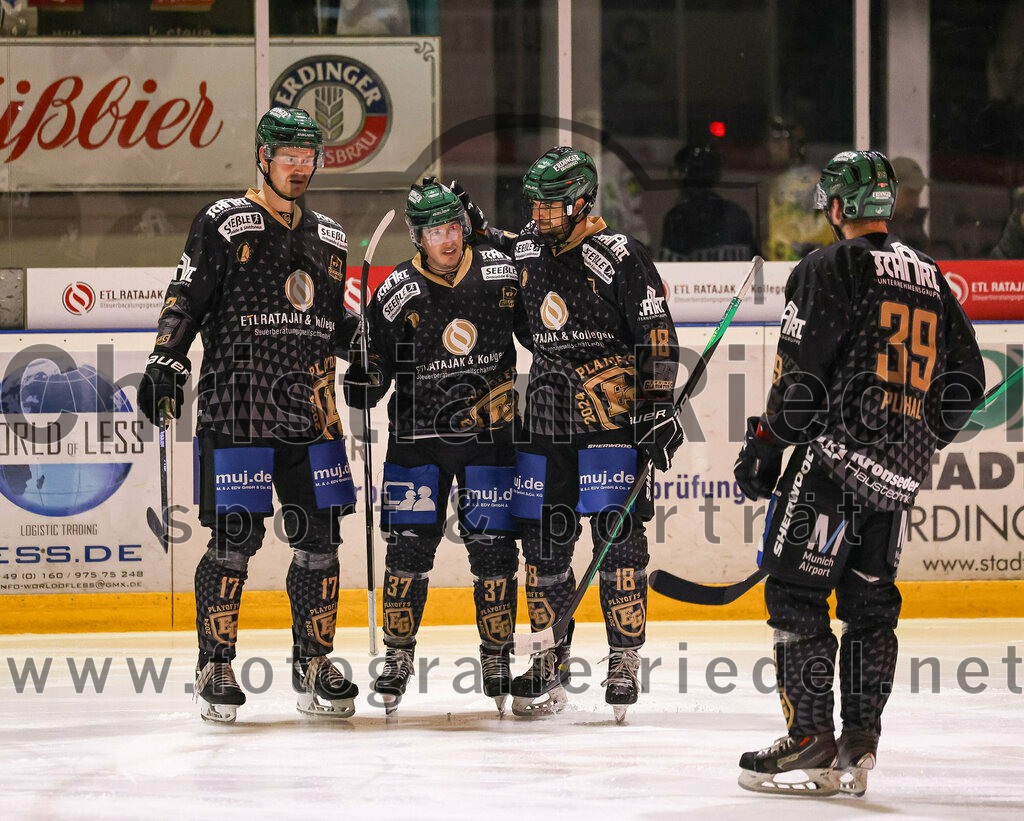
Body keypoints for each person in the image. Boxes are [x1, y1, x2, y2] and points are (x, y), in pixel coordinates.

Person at [733, 150, 985, 795]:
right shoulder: (928, 274)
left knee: (795, 596)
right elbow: (968, 382)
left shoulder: (829, 266)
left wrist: (764, 444)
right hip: (896, 478)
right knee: (871, 610)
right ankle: (860, 739)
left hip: (832, 468)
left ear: (838, 207)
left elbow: (802, 383)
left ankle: (811, 737)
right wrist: (919, 438)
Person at [137, 107, 360, 723]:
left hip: (313, 413)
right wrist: (166, 357)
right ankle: (216, 663)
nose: (299, 167)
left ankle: (314, 661)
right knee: (236, 538)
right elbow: (187, 294)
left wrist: (367, 347)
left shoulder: (332, 238)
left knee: (322, 539)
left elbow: (333, 322)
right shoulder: (223, 223)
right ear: (262, 158)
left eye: (308, 156)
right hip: (239, 406)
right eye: (287, 156)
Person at [475, 146, 683, 721]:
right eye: (535, 205)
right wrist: (476, 227)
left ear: (583, 202)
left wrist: (658, 408)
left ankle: (623, 659)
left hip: (610, 425)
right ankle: (548, 658)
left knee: (617, 542)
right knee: (544, 545)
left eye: (551, 206)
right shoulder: (530, 246)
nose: (539, 216)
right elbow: (501, 243)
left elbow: (657, 336)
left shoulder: (621, 256)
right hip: (544, 422)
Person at [343, 178, 520, 716]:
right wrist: (363, 380)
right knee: (407, 551)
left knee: (494, 552)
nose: (446, 240)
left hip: (489, 438)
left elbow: (544, 316)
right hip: (417, 444)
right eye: (434, 231)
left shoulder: (499, 273)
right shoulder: (396, 293)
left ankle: (497, 656)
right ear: (417, 236)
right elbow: (373, 378)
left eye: (453, 228)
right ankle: (398, 658)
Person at [659, 143, 757, 262]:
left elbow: (669, 272)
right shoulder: (738, 214)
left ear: (682, 175)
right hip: (738, 280)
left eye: (676, 171)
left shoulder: (678, 218)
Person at [765, 117, 835, 261]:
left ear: (791, 144)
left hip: (800, 265)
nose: (771, 147)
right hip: (782, 267)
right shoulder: (779, 181)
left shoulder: (809, 182)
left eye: (776, 140)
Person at [887, 156, 933, 255]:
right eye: (910, 193)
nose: (916, 202)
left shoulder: (915, 230)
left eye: (918, 194)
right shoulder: (872, 229)